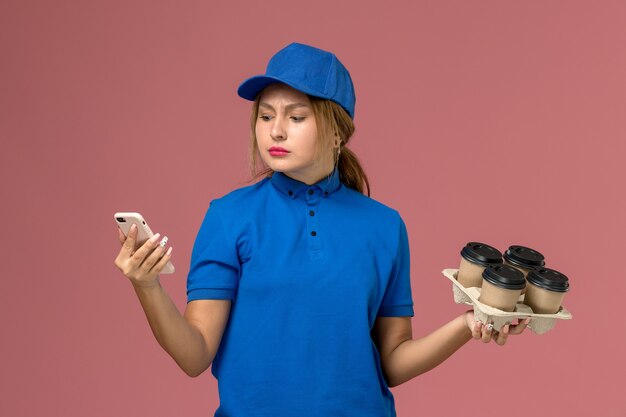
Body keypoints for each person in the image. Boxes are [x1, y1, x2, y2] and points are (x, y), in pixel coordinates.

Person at [114, 42, 529, 416]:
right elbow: (195, 355)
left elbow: (393, 362)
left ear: (337, 131)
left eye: (296, 116)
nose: (275, 130)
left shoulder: (384, 226)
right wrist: (147, 286)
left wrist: (466, 324)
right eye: (265, 116)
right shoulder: (228, 217)